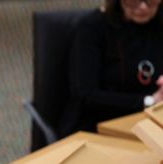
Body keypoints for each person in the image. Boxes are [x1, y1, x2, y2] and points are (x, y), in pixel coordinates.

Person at [60, 0, 163, 137]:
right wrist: (149, 101)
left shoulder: (159, 20)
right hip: (97, 126)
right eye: (133, 1)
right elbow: (85, 94)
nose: (143, 7)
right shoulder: (93, 27)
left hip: (150, 122)